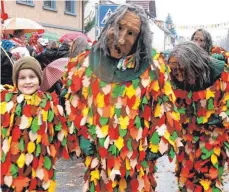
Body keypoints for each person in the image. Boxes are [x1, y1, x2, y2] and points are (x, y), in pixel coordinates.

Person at [61, 4, 182, 191]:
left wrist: (157, 144)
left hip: (137, 165)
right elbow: (73, 103)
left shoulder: (153, 68)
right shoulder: (85, 63)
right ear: (109, 25)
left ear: (140, 38)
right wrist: (81, 136)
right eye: (118, 27)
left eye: (131, 33)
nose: (121, 38)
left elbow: (166, 107)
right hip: (98, 164)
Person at [0, 56, 70, 191]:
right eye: (22, 78)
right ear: (16, 81)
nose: (27, 82)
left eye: (32, 77)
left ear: (39, 79)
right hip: (13, 168)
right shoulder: (7, 104)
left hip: (40, 166)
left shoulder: (49, 104)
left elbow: (59, 136)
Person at [167, 41, 229, 191]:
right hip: (186, 142)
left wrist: (221, 116)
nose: (179, 75)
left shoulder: (221, 74)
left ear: (195, 65)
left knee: (209, 181)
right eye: (175, 71)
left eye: (183, 70)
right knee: (185, 179)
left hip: (212, 142)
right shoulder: (172, 78)